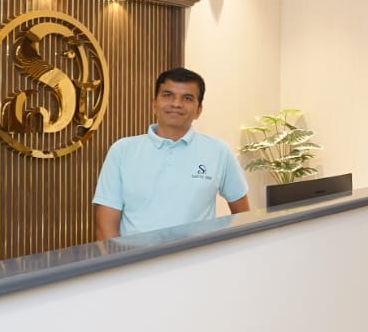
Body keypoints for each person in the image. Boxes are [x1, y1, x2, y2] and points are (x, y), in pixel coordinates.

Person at [93, 68, 250, 240]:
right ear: (154, 104)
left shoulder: (219, 151)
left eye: (187, 98)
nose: (176, 104)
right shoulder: (122, 150)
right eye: (168, 95)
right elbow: (105, 225)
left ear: (199, 110)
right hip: (137, 255)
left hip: (198, 255)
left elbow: (243, 216)